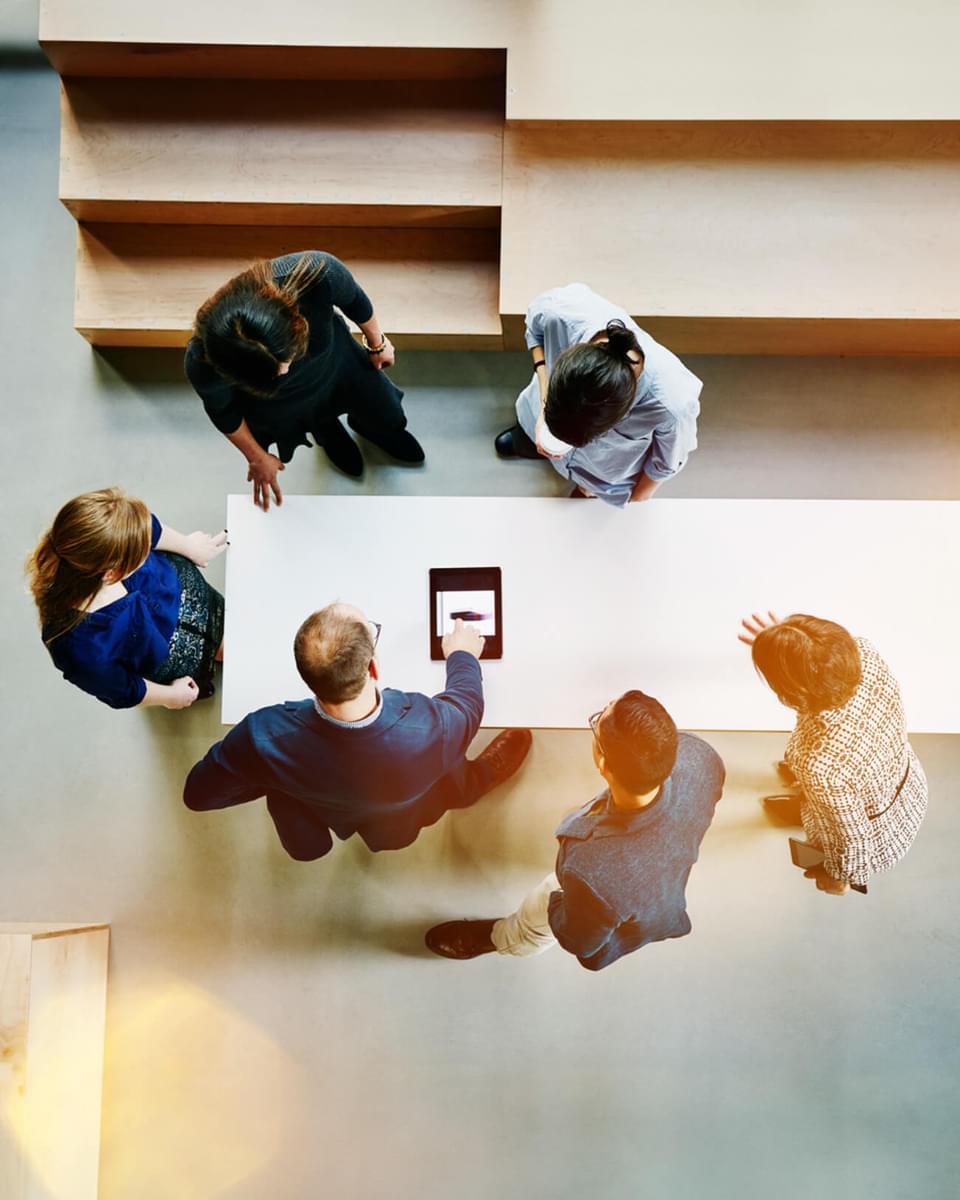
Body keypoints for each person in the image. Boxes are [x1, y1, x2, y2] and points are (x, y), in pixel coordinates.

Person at [183, 604, 532, 860]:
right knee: (448, 763)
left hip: (321, 809)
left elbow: (199, 795)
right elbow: (468, 703)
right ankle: (476, 782)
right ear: (374, 668)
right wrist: (462, 655)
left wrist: (272, 777)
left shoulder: (261, 737)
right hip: (396, 818)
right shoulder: (432, 726)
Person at [425, 690, 724, 969]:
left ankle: (501, 938)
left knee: (536, 917)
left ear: (603, 763)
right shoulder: (701, 756)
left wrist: (556, 901)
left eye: (598, 721)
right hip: (654, 879)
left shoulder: (592, 873)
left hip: (609, 898)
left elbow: (578, 940)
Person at [185, 251, 425, 510]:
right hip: (281, 402)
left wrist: (377, 343)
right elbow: (223, 411)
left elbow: (355, 300)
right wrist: (256, 457)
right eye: (272, 372)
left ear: (294, 321)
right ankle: (328, 432)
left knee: (388, 413)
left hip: (337, 364)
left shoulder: (316, 275)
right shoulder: (204, 361)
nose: (285, 371)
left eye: (287, 357)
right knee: (318, 422)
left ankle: (372, 429)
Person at [739, 611, 928, 895]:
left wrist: (842, 878)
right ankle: (812, 799)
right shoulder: (865, 653)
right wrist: (788, 647)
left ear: (792, 690)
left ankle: (811, 804)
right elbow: (822, 662)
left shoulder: (820, 768)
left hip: (880, 834)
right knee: (824, 788)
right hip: (904, 785)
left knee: (826, 799)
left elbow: (852, 837)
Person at [494, 282, 701, 506]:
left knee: (584, 499)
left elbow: (666, 463)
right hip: (536, 415)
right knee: (527, 435)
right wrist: (544, 403)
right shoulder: (560, 312)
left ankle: (586, 488)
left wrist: (637, 495)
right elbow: (534, 329)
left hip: (600, 472)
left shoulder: (672, 405)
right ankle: (529, 435)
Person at [27, 487, 227, 710]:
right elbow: (124, 688)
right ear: (112, 574)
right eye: (141, 553)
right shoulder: (75, 647)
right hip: (174, 656)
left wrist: (189, 546)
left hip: (187, 594)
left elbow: (148, 528)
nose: (148, 545)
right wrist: (171, 696)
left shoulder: (110, 532)